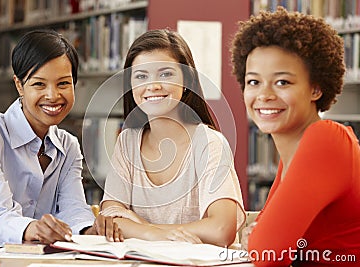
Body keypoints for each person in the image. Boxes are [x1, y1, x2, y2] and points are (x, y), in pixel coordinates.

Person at [0, 29, 123, 245]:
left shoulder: (69, 145)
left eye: (63, 83)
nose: (53, 95)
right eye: (39, 84)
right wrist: (33, 228)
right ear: (19, 85)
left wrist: (90, 231)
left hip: (33, 257)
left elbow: (73, 208)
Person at [230, 7, 360, 266]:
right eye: (254, 82)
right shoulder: (294, 148)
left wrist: (258, 235)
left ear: (315, 89)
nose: (264, 95)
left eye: (282, 82)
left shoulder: (325, 140)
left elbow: (268, 252)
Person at [99, 29, 245, 247]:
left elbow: (221, 229)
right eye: (141, 76)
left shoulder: (209, 143)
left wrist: (142, 228)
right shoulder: (127, 141)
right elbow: (110, 218)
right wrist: (153, 234)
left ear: (186, 80)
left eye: (166, 74)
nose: (153, 86)